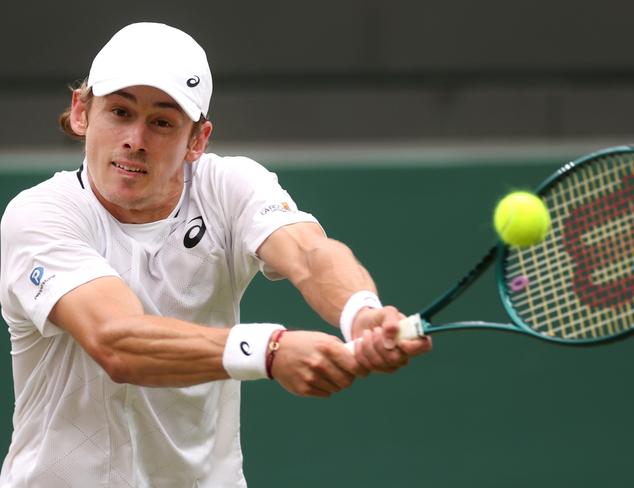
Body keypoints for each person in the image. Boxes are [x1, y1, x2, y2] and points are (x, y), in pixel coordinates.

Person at [0, 22, 431, 487]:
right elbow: (116, 341)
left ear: (197, 140)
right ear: (82, 112)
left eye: (162, 122)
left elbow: (308, 253)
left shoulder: (231, 186)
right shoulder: (39, 216)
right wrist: (268, 351)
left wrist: (359, 311)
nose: (135, 139)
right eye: (120, 112)